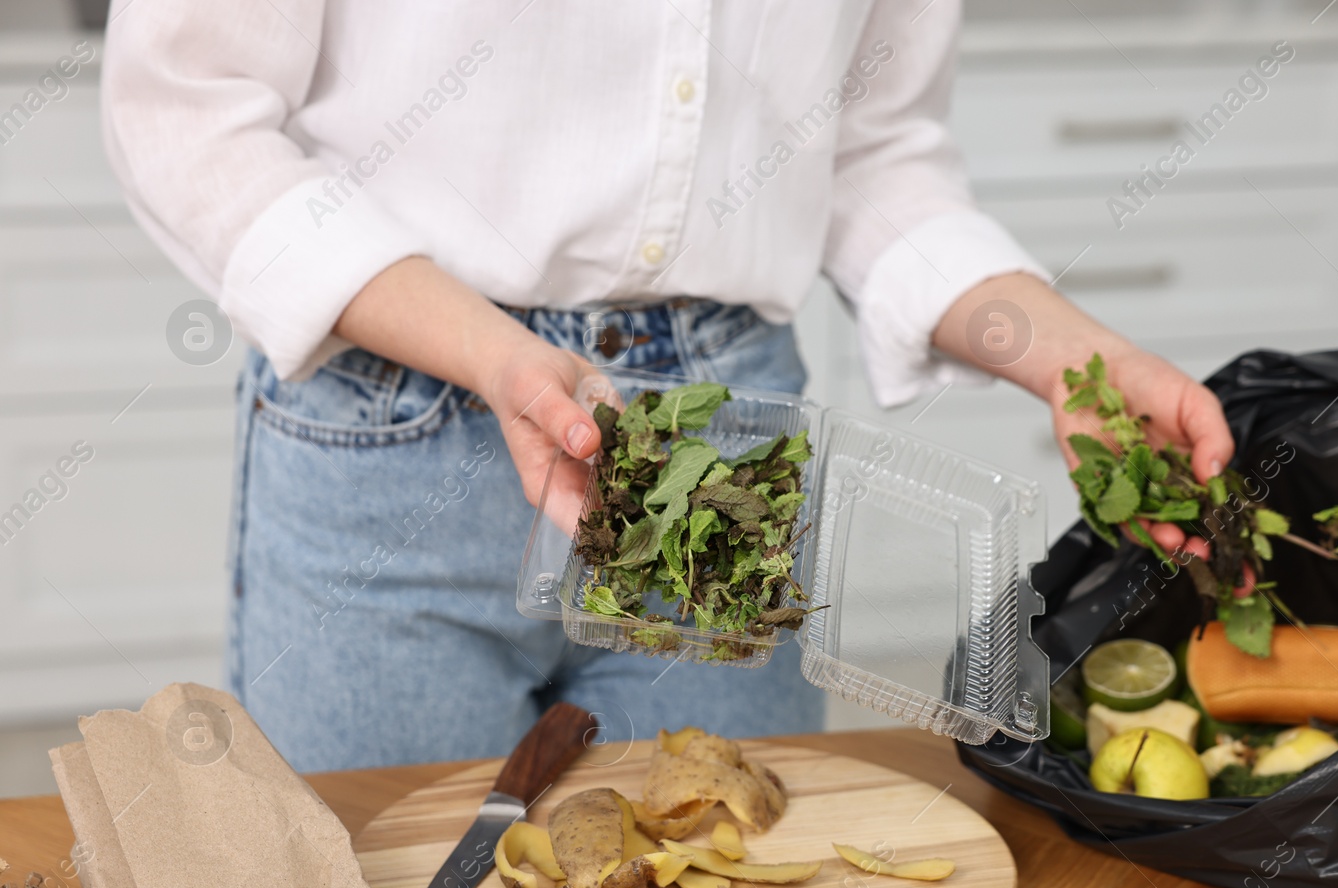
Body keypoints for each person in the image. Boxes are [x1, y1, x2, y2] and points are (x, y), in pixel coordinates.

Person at [102, 2, 1233, 772]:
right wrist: (495, 353)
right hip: (397, 417)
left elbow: (867, 150)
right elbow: (186, 107)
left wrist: (1072, 358)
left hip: (725, 449)